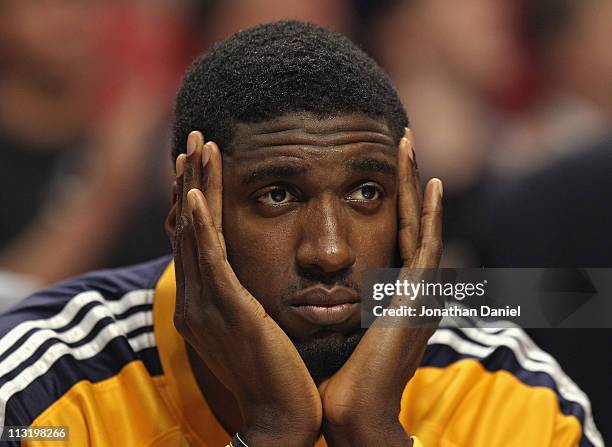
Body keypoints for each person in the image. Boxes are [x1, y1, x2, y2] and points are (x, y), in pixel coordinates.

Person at [0, 21, 602, 447]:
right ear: (187, 212)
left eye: (367, 193)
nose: (331, 251)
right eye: (277, 196)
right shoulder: (38, 396)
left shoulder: (509, 392)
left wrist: (374, 435)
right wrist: (270, 433)